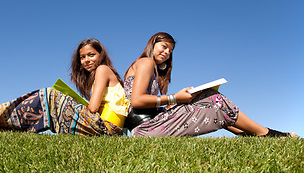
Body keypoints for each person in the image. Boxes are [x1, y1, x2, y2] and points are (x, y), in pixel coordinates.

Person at [123, 32, 296, 137]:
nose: (167, 52)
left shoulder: (152, 70)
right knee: (213, 98)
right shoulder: (146, 62)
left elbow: (152, 104)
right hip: (147, 128)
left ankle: (248, 134)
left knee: (208, 99)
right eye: (164, 46)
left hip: (150, 126)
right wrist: (175, 98)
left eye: (170, 51)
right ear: (153, 43)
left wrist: (180, 100)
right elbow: (137, 101)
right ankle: (264, 133)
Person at [0, 39, 129, 136]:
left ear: (100, 55)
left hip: (106, 128)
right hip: (107, 128)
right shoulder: (99, 74)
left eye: (91, 55)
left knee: (50, 95)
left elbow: (93, 108)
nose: (87, 60)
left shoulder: (103, 69)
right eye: (82, 57)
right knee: (49, 100)